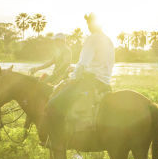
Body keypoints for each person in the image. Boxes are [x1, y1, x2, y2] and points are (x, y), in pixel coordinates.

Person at [45, 13, 114, 145]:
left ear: (90, 24)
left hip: (89, 82)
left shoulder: (92, 39)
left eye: (89, 23)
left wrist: (73, 78)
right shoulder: (108, 40)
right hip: (104, 82)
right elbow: (96, 63)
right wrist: (74, 67)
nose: (88, 26)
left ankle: (57, 142)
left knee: (52, 104)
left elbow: (83, 63)